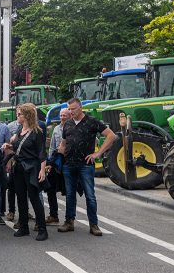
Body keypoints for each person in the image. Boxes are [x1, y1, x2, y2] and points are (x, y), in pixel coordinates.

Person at [57, 98, 115, 236]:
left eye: (74, 109)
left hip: (86, 165)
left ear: (81, 108)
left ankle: (93, 224)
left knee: (90, 195)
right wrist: (58, 157)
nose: (71, 112)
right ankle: (69, 221)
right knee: (70, 194)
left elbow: (111, 135)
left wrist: (98, 153)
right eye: (69, 109)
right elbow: (64, 143)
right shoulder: (68, 124)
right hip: (69, 164)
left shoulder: (92, 121)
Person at [7, 103, 48, 240]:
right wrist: (8, 145)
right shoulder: (19, 130)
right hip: (18, 167)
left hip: (31, 168)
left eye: (20, 114)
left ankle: (42, 229)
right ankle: (24, 227)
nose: (17, 116)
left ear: (27, 116)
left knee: (35, 198)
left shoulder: (37, 132)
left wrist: (42, 170)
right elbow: (17, 147)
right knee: (21, 197)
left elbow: (42, 153)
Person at [43, 107, 70, 225]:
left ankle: (69, 219)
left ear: (69, 116)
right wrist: (49, 163)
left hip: (69, 163)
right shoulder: (56, 129)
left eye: (65, 115)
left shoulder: (72, 128)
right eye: (61, 115)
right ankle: (53, 215)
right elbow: (52, 147)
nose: (62, 117)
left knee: (69, 191)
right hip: (56, 163)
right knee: (50, 188)